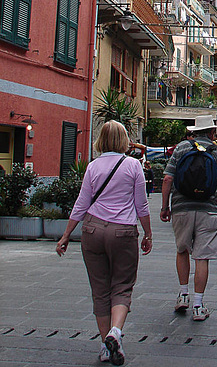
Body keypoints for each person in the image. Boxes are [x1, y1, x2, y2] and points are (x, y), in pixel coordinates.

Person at [56, 120, 152, 365]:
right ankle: (115, 333)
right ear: (123, 140)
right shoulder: (133, 165)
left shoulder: (92, 166)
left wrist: (67, 234)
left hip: (92, 230)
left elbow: (82, 203)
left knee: (100, 290)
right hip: (123, 232)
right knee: (122, 285)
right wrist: (148, 233)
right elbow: (141, 205)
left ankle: (104, 347)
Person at [160, 115, 217, 321]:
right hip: (208, 209)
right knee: (202, 256)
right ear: (212, 132)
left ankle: (183, 295)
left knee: (182, 250)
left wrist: (165, 207)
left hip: (181, 208)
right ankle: (199, 305)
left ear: (193, 132)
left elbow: (167, 178)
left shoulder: (181, 148)